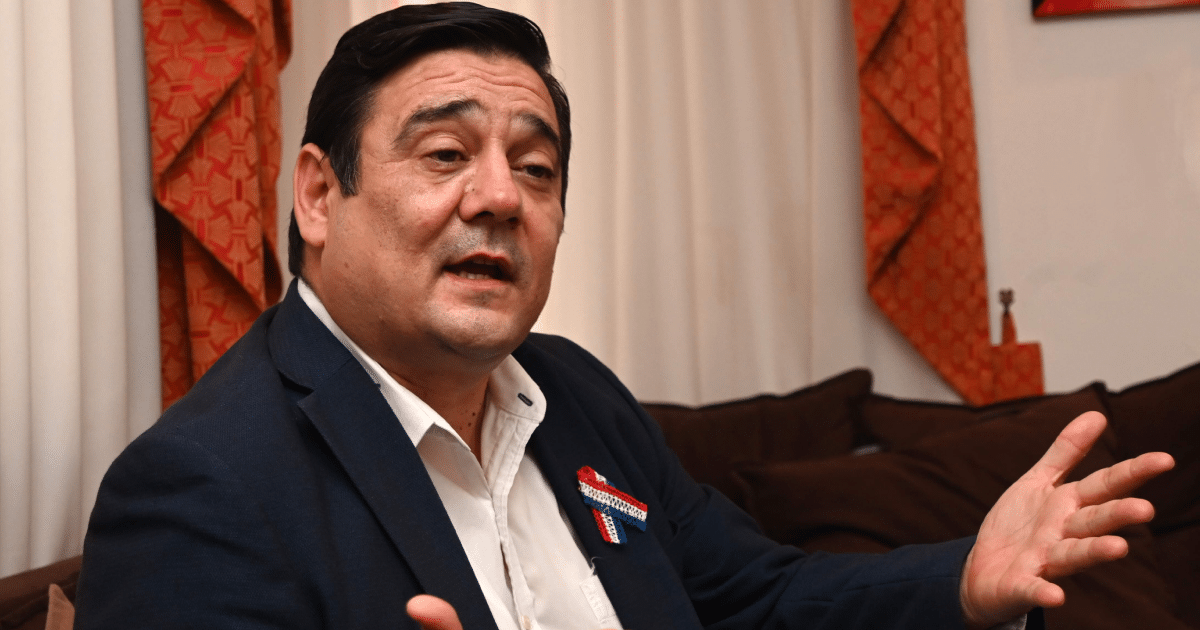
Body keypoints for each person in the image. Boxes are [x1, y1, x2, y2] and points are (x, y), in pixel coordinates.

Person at [73, 3, 1174, 630]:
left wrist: (963, 577)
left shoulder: (572, 395)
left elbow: (750, 594)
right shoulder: (198, 490)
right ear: (319, 195)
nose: (501, 197)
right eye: (446, 154)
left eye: (537, 167)